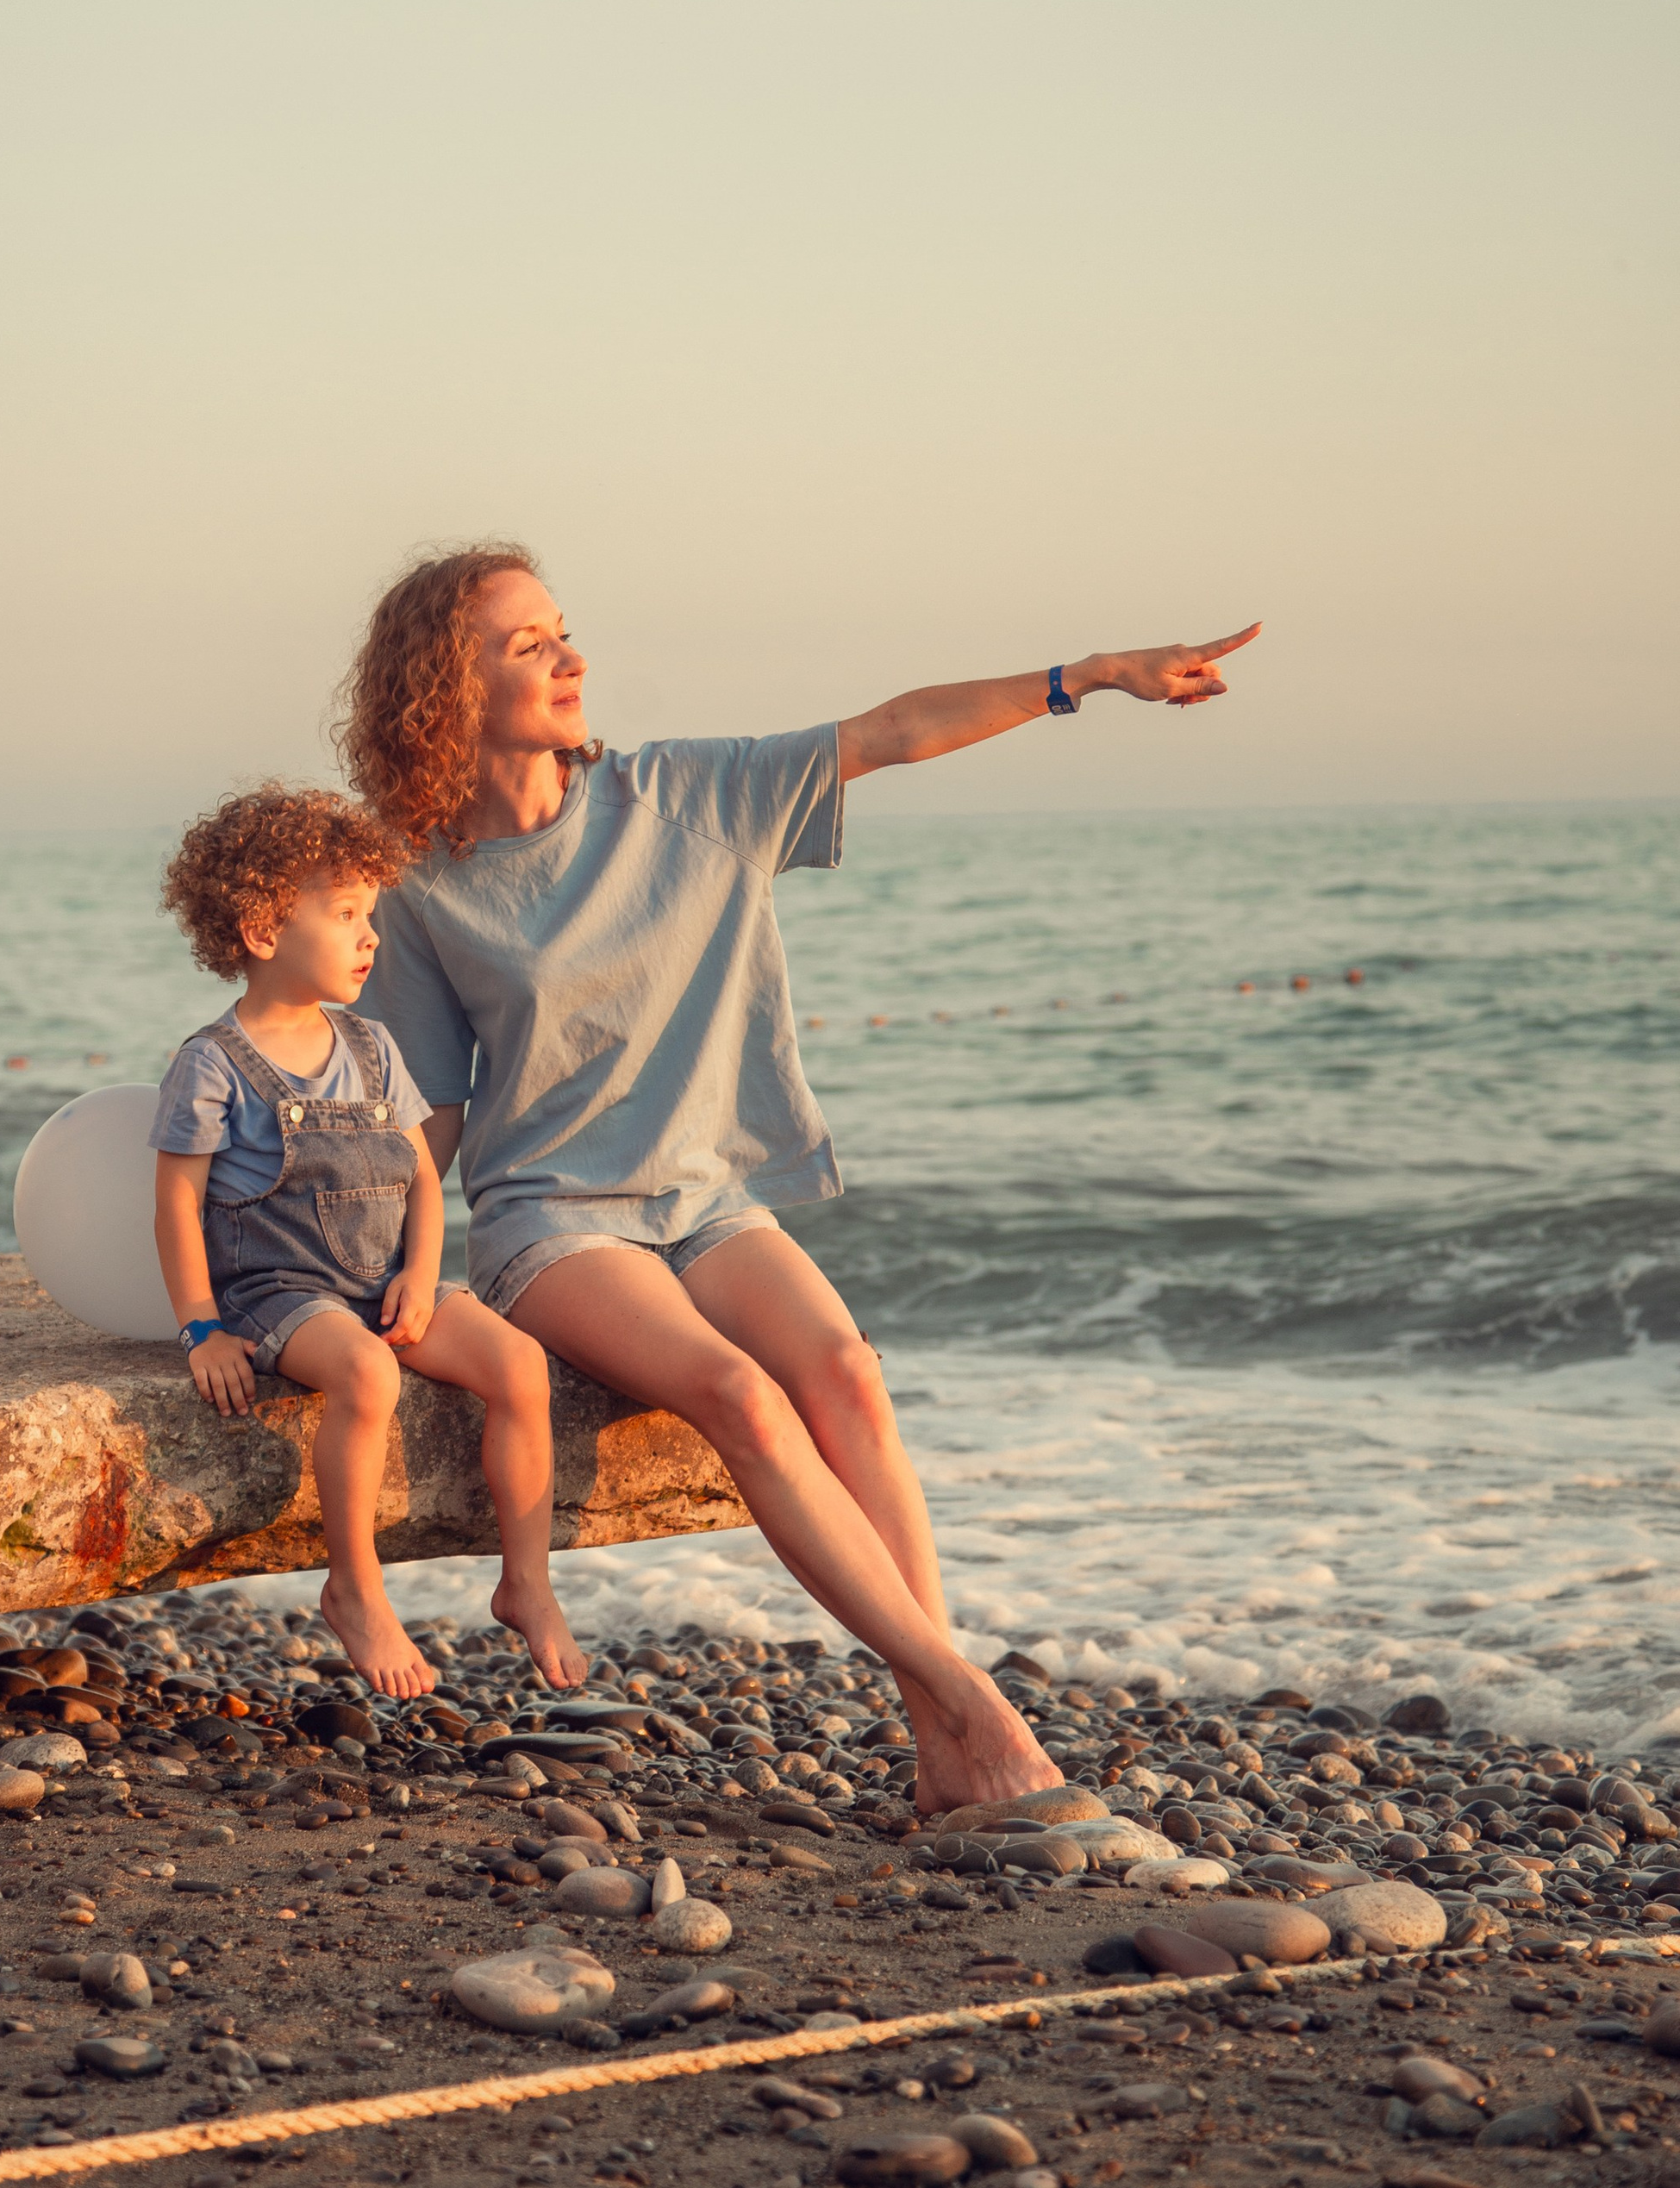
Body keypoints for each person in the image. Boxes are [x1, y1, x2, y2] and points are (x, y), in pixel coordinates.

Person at [340, 547, 1258, 1813]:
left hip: (709, 1198)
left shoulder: (685, 796)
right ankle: (978, 1709)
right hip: (552, 1219)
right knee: (740, 1395)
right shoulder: (420, 886)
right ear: (446, 686)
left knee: (846, 1375)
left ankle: (939, 1737)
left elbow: (892, 731)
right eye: (528, 644)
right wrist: (373, 1259)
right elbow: (429, 1112)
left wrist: (1091, 676)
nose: (572, 659)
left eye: (565, 631)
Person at [150, 780, 588, 1697]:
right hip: (279, 1295)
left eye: (372, 914)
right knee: (367, 1373)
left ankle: (528, 1582)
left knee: (517, 1363)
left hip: (383, 1279)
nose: (370, 936)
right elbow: (176, 1206)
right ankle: (353, 1587)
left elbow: (422, 1177)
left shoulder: (373, 1047)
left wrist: (422, 1277)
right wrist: (201, 1329)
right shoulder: (213, 1064)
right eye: (345, 914)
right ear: (263, 930)